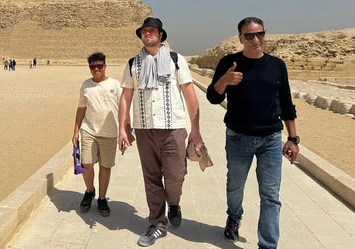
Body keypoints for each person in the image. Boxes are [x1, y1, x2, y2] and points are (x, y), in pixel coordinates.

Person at [206, 16, 299, 249]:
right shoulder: (229, 63)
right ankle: (234, 216)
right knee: (235, 186)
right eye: (249, 35)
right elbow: (213, 97)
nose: (256, 39)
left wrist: (293, 138)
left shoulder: (277, 65)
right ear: (241, 38)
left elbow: (286, 103)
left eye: (260, 34)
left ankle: (267, 245)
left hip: (270, 139)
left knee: (270, 196)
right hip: (238, 138)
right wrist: (224, 81)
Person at [118, 17, 203, 247]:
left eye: (152, 30)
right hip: (145, 129)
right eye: (144, 31)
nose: (148, 33)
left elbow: (190, 94)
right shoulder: (133, 64)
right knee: (151, 178)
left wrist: (195, 130)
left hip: (173, 127)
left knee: (176, 175)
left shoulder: (176, 60)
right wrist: (122, 129)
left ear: (161, 35)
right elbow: (126, 97)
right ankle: (157, 223)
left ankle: (173, 203)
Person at [72, 52, 122, 217]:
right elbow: (81, 109)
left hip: (110, 132)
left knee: (105, 166)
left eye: (99, 66)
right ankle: (89, 191)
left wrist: (125, 131)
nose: (96, 69)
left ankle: (101, 198)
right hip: (89, 130)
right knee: (86, 163)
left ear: (105, 66)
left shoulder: (115, 84)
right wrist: (76, 131)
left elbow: (123, 109)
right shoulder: (86, 85)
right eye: (93, 66)